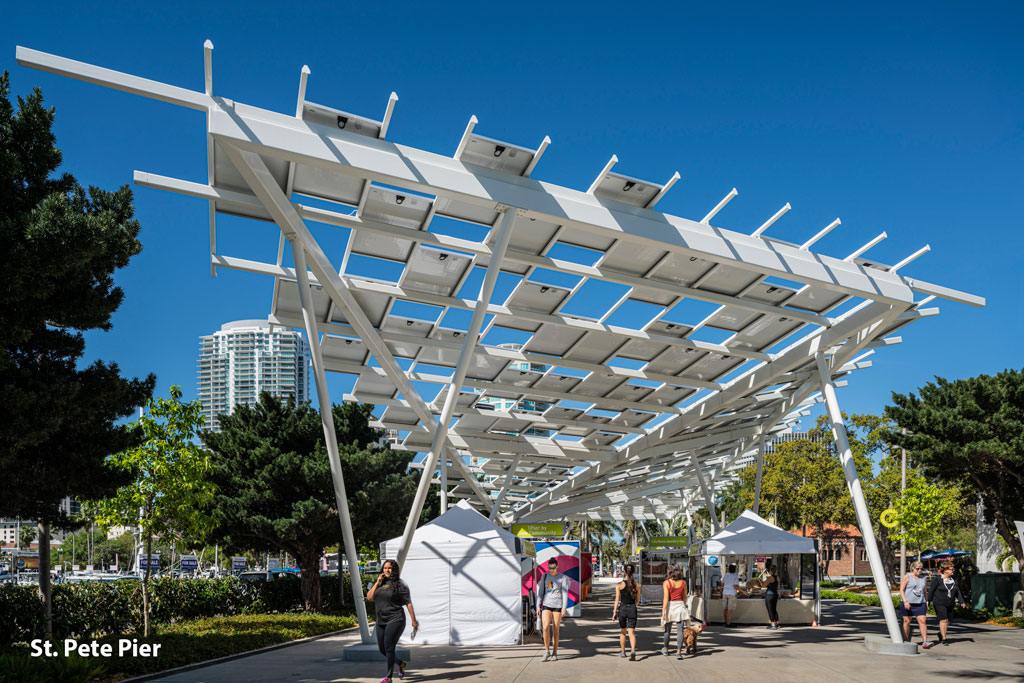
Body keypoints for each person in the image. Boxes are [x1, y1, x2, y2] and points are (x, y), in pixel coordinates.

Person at [367, 559, 418, 682]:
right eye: (385, 568)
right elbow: (369, 597)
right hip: (381, 620)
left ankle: (388, 677)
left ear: (394, 569)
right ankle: (401, 663)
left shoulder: (400, 584)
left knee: (389, 647)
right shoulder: (380, 582)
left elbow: (408, 603)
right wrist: (377, 583)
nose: (387, 570)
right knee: (382, 649)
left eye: (389, 568)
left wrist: (414, 620)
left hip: (396, 619)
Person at [924, 560, 966, 649]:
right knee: (944, 620)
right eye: (951, 569)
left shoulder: (953, 580)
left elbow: (957, 591)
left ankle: (941, 633)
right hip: (939, 603)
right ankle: (944, 639)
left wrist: (961, 601)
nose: (953, 570)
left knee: (949, 620)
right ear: (945, 570)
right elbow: (931, 591)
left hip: (950, 603)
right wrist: (928, 601)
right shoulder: (938, 579)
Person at [536, 557, 570, 661]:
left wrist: (564, 607)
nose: (551, 570)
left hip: (558, 606)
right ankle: (547, 651)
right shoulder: (545, 576)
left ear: (557, 566)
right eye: (549, 568)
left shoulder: (562, 578)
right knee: (545, 627)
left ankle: (555, 652)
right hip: (546, 605)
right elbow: (541, 592)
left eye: (553, 568)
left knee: (556, 630)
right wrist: (538, 606)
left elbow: (565, 593)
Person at [661, 566, 690, 660]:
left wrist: (663, 611)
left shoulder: (667, 583)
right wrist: (684, 605)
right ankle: (678, 652)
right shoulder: (684, 583)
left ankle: (665, 649)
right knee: (680, 631)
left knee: (667, 630)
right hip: (680, 605)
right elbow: (685, 597)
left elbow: (666, 598)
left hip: (671, 606)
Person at [612, 562, 639, 660]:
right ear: (633, 572)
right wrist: (633, 606)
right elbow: (637, 601)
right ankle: (632, 650)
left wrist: (614, 612)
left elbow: (617, 600)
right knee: (631, 632)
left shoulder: (619, 585)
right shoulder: (636, 585)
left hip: (622, 609)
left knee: (623, 631)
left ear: (623, 571)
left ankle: (623, 652)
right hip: (632, 608)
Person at [898, 561, 928, 645]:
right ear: (912, 568)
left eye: (921, 568)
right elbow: (901, 590)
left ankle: (925, 641)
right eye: (917, 568)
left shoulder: (923, 578)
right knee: (907, 621)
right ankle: (906, 640)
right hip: (908, 603)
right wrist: (905, 601)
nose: (919, 570)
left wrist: (926, 601)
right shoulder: (907, 576)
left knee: (923, 621)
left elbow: (925, 591)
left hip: (920, 603)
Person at [721, 563, 741, 627]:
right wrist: (743, 591)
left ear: (728, 570)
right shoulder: (735, 576)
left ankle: (725, 622)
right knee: (730, 609)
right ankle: (728, 623)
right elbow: (735, 586)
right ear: (735, 570)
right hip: (732, 593)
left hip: (725, 592)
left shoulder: (725, 575)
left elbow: (722, 584)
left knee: (725, 609)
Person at [763, 565, 780, 630]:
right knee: (774, 609)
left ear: (770, 570)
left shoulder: (770, 578)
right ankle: (777, 624)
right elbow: (778, 587)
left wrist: (760, 581)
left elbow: (764, 585)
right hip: (775, 594)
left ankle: (773, 625)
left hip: (769, 595)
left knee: (770, 610)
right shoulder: (777, 577)